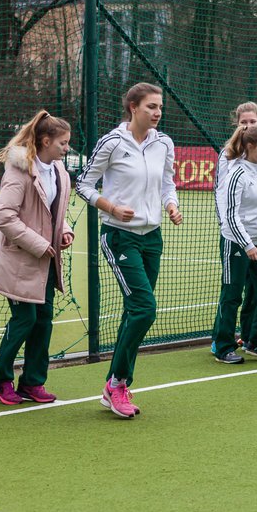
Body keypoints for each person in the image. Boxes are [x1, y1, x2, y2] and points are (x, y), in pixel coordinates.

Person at [76, 83, 182, 419]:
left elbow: (168, 182)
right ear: (133, 107)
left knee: (133, 311)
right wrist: (110, 206)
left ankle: (115, 384)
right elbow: (83, 184)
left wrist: (171, 204)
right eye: (151, 106)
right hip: (119, 236)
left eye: (160, 107)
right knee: (144, 308)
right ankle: (117, 383)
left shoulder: (163, 142)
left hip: (153, 237)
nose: (157, 112)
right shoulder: (111, 142)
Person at [0, 111, 76, 406]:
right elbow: (4, 216)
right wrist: (39, 243)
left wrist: (64, 230)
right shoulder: (18, 170)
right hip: (19, 260)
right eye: (62, 143)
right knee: (26, 319)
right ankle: (0, 379)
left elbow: (56, 212)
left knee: (43, 320)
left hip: (45, 261)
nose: (66, 148)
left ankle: (33, 382)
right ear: (46, 141)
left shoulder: (59, 170)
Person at [213, 125, 257, 364]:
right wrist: (247, 244)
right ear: (250, 147)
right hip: (236, 242)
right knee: (232, 295)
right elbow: (231, 215)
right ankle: (223, 347)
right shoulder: (236, 174)